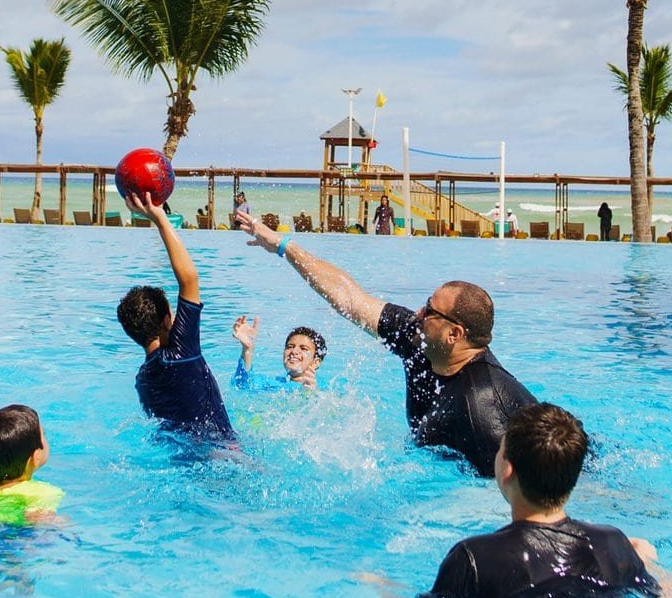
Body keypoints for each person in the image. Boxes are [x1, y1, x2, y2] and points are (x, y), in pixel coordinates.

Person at [234, 210, 535, 476]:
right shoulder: (419, 339)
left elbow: (518, 494)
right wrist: (282, 246)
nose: (418, 313)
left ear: (454, 334)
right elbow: (349, 299)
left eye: (430, 311)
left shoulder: (480, 410)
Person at [426, 403, 672, 598]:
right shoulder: (613, 543)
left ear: (507, 470)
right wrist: (645, 562)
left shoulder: (473, 558)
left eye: (500, 451)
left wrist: (385, 585)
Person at [118, 190, 236, 442]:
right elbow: (189, 278)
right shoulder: (181, 352)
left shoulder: (143, 380)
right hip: (223, 452)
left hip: (183, 460)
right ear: (166, 321)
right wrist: (160, 218)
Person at [230, 317, 326, 390]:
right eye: (290, 347)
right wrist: (247, 349)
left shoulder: (324, 390)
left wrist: (311, 394)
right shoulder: (270, 382)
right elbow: (241, 385)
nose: (294, 351)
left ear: (316, 362)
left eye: (303, 348)